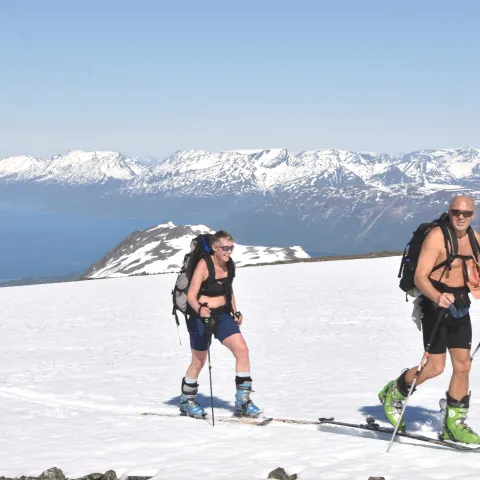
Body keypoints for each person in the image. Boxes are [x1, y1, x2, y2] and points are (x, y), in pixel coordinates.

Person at [379, 195, 480, 443]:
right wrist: (437, 296)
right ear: (450, 211)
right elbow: (420, 277)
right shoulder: (436, 237)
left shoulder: (475, 240)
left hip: (459, 306)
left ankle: (454, 423)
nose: (461, 217)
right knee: (435, 367)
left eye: (466, 213)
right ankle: (395, 391)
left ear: (473, 215)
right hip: (434, 306)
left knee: (463, 365)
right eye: (456, 212)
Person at [179, 230, 261, 419]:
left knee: (242, 351)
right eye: (225, 248)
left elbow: (228, 290)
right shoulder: (204, 264)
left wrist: (235, 311)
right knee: (199, 361)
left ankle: (243, 400)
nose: (229, 252)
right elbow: (191, 296)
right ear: (215, 248)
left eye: (231, 248)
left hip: (223, 315)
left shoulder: (230, 265)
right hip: (201, 316)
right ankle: (187, 401)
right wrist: (200, 309)